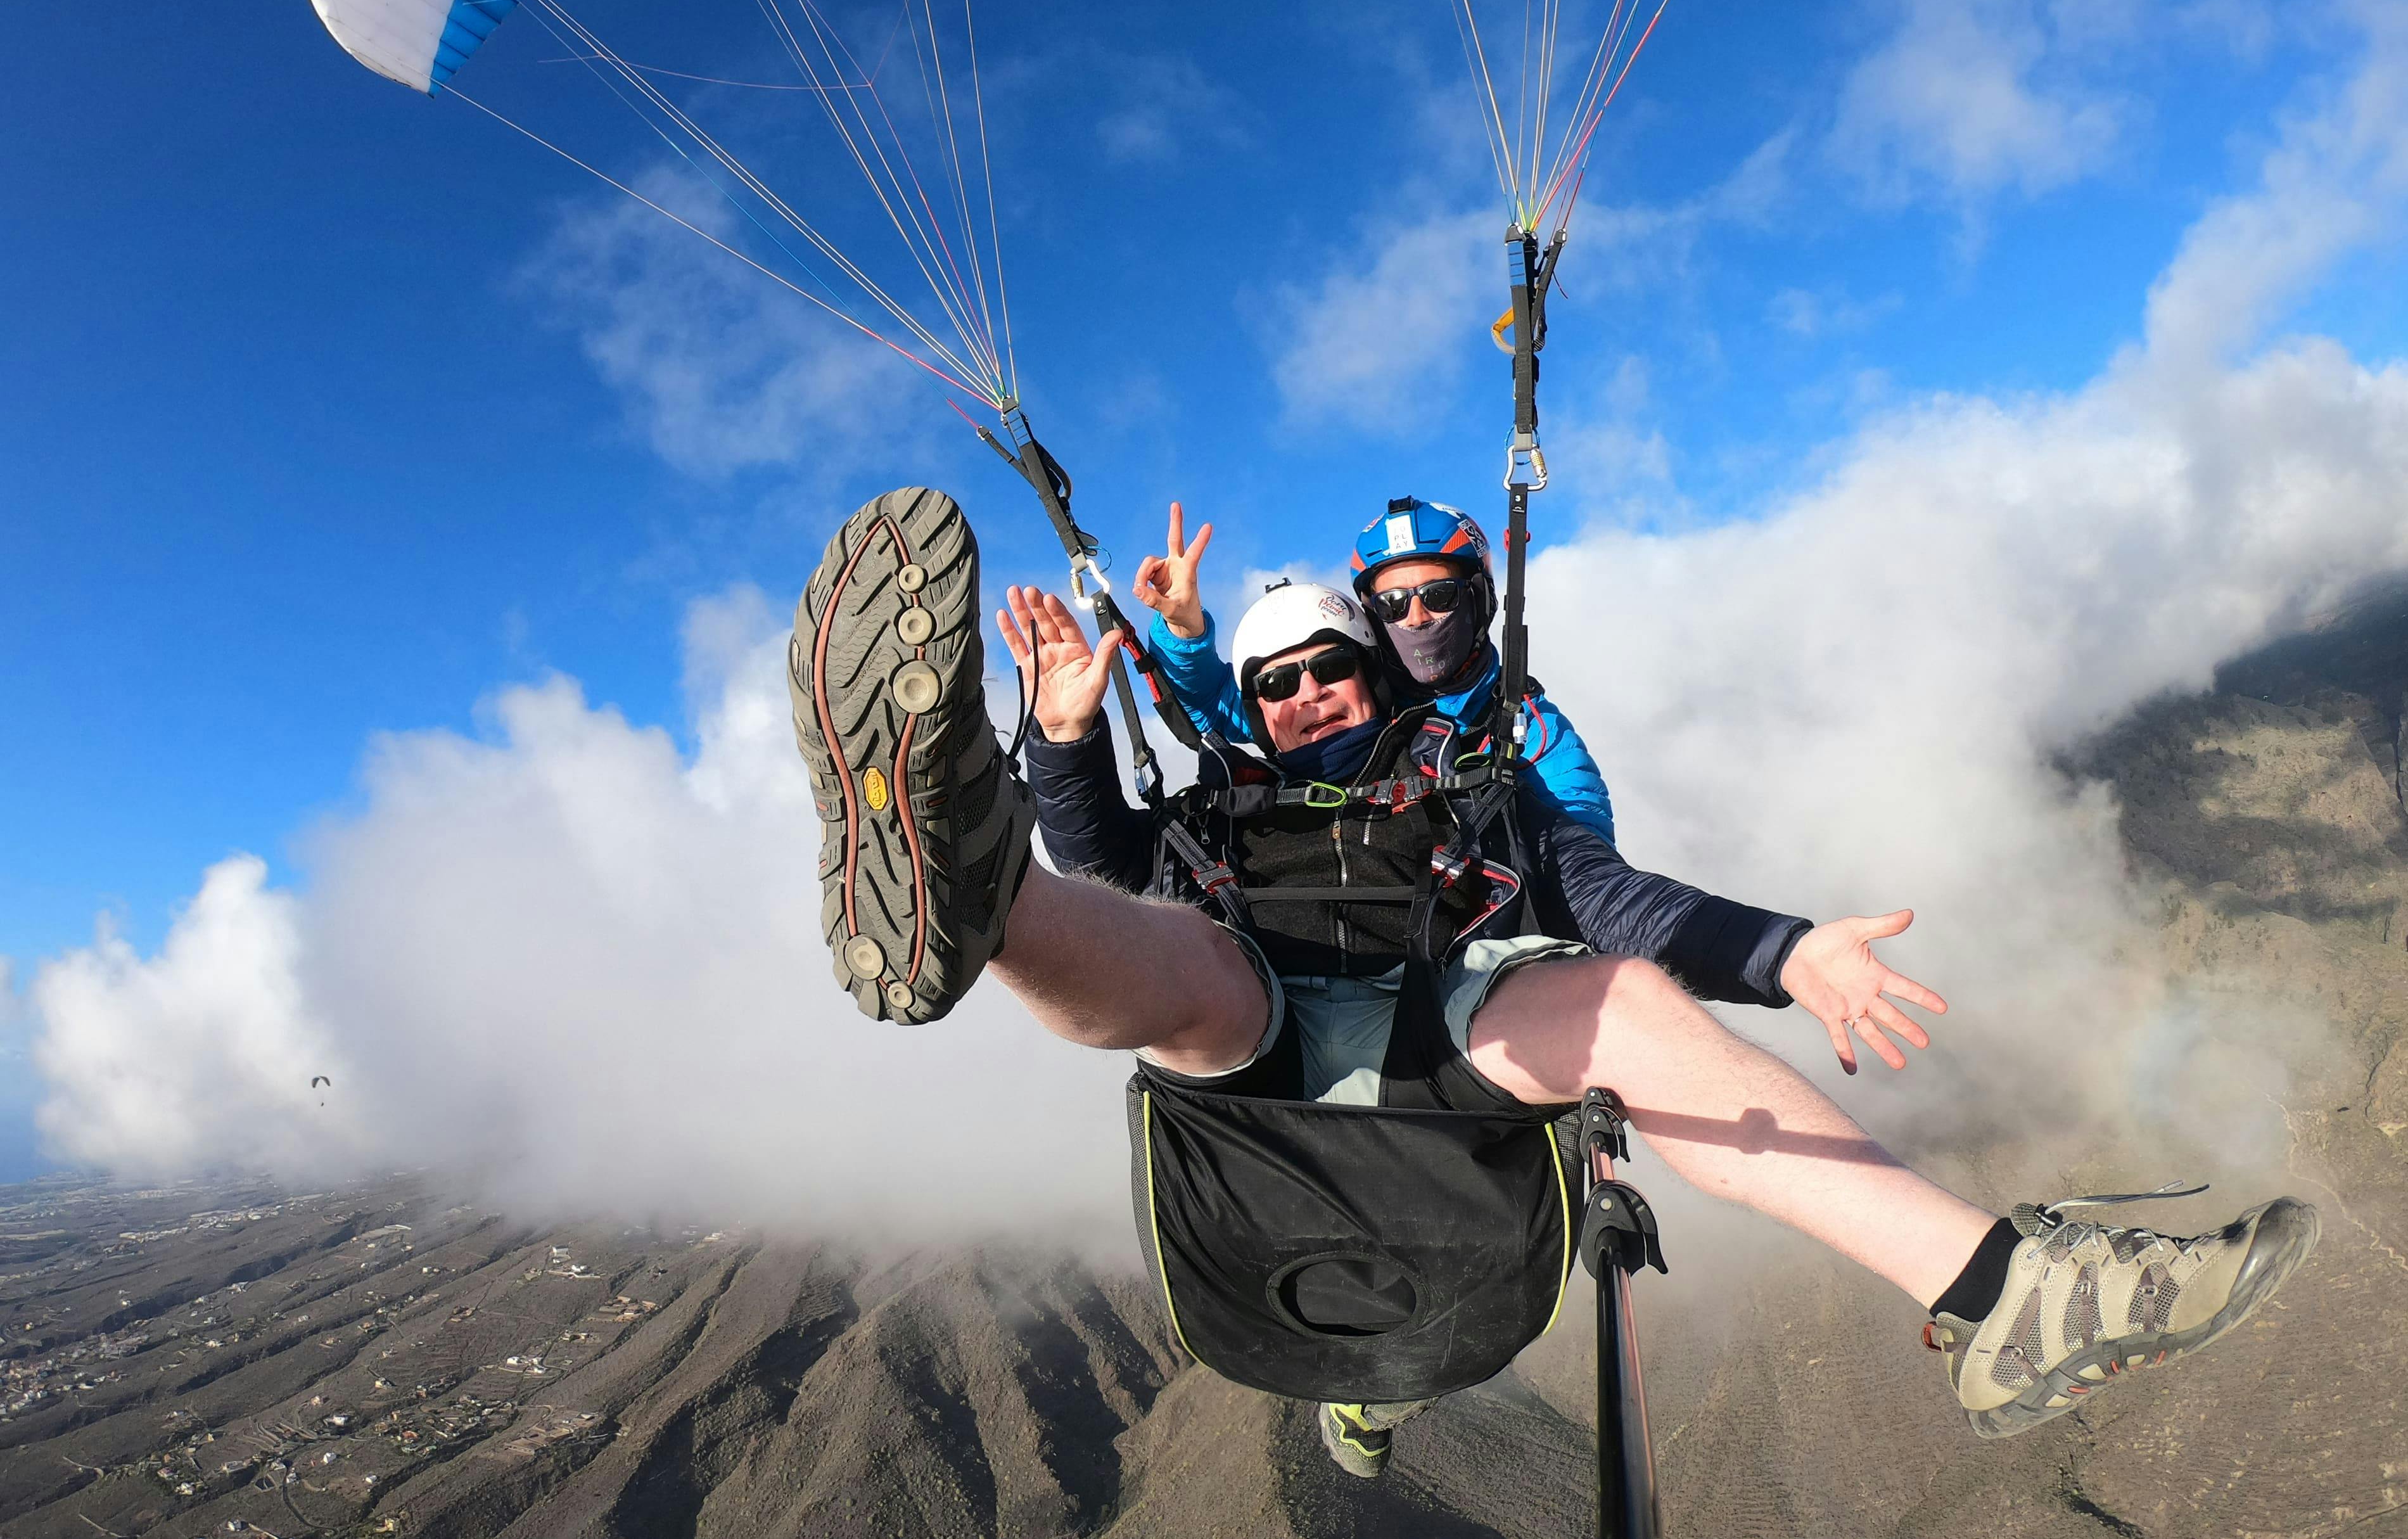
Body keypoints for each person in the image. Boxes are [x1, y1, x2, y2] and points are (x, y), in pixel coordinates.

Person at [788, 485, 2319, 1476]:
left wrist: (1786, 952)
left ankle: (2001, 1295)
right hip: (1248, 1032)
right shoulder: (1210, 815)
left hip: (1454, 1024)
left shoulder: (1480, 789)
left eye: (1332, 668)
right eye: (1273, 685)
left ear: (1381, 681)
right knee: (1169, 961)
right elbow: (1111, 848)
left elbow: (1616, 897)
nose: (1307, 694)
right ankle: (960, 884)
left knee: (1612, 996)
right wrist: (1060, 730)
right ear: (1245, 712)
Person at [1133, 497, 1618, 841]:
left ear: (1478, 598)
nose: (1417, 617)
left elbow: (1580, 846)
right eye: (1392, 604)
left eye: (1438, 595)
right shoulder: (1350, 689)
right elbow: (1217, 707)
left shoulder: (1526, 726)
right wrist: (1183, 628)